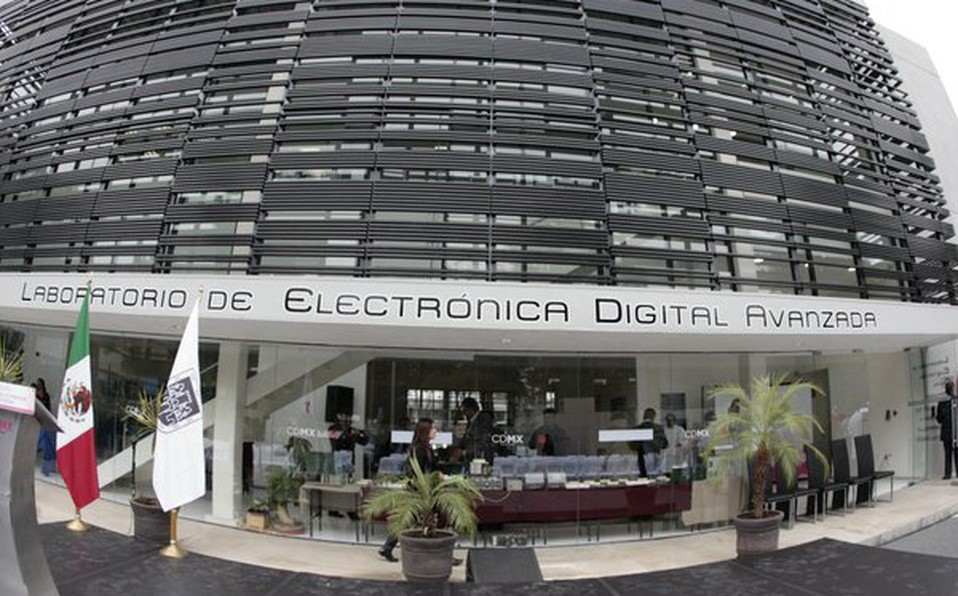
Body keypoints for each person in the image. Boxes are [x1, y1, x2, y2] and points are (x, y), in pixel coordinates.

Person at [378, 417, 436, 562]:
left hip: (423, 491)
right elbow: (417, 472)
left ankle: (387, 547)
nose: (436, 431)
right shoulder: (419, 449)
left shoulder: (424, 447)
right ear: (426, 431)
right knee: (410, 519)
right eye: (433, 428)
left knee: (408, 520)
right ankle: (388, 546)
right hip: (419, 492)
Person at [457, 397, 495, 463]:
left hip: (481, 458)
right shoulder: (471, 422)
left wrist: (465, 452)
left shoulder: (483, 421)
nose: (464, 414)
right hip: (473, 458)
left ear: (471, 409)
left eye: (465, 411)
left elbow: (483, 441)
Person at [633, 407, 668, 478]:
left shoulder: (638, 428)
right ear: (654, 417)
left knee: (648, 478)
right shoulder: (659, 428)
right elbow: (665, 444)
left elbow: (633, 445)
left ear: (644, 416)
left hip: (644, 456)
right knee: (658, 477)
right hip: (658, 454)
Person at [936, 379, 958, 479]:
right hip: (952, 432)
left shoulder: (943, 402)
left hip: (951, 432)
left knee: (949, 454)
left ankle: (948, 474)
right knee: (953, 454)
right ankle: (951, 474)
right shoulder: (950, 401)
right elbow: (940, 419)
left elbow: (939, 419)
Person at [35, 379, 56, 476]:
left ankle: (48, 467)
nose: (38, 386)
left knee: (47, 441)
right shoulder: (35, 395)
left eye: (39, 384)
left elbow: (47, 406)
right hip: (38, 419)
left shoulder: (46, 395)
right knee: (44, 440)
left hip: (44, 418)